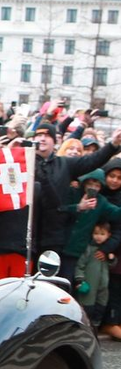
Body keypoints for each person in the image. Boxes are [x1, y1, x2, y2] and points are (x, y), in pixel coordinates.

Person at [32, 118, 121, 278]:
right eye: (38, 135)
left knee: (51, 286)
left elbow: (92, 161)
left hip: (53, 238)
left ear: (55, 141)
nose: (42, 138)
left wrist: (112, 145)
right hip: (27, 238)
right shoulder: (24, 162)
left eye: (47, 135)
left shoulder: (64, 164)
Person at [75, 221, 113, 329]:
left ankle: (95, 326)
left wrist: (112, 259)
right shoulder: (89, 249)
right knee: (88, 307)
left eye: (102, 234)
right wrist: (79, 280)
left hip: (103, 286)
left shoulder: (107, 251)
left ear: (108, 235)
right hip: (89, 284)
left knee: (100, 306)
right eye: (96, 233)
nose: (98, 237)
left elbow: (111, 266)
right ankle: (85, 327)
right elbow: (80, 265)